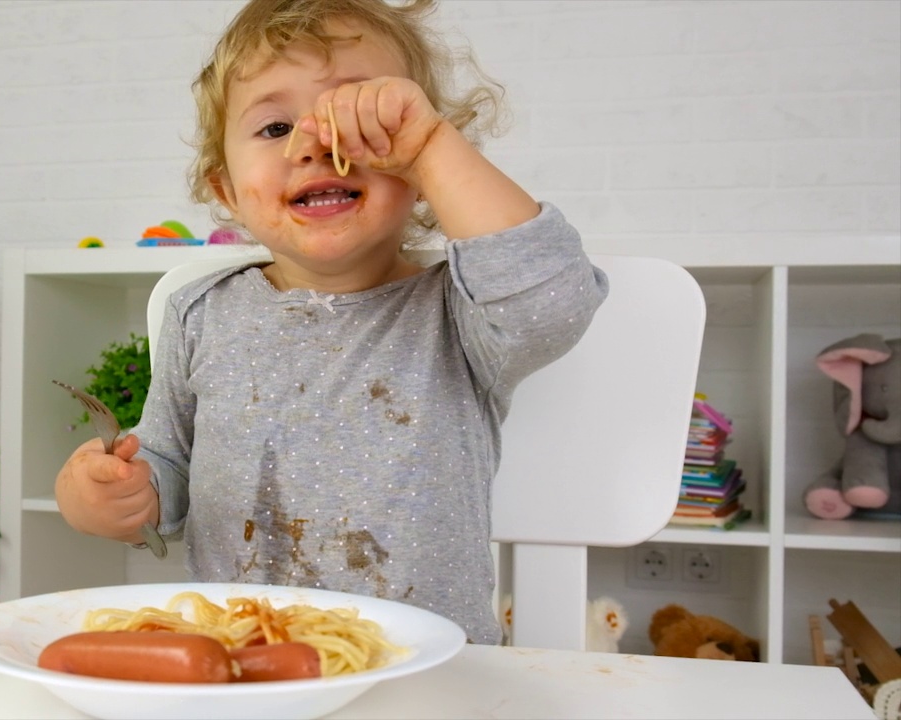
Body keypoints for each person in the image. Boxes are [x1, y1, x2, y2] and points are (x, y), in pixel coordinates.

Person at [55, 0, 609, 645]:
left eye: (362, 117)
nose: (316, 142)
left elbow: (550, 302)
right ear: (228, 190)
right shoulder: (200, 311)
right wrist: (118, 494)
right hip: (245, 658)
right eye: (273, 126)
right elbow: (168, 463)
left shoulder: (462, 311)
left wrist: (430, 144)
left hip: (427, 663)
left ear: (423, 175)